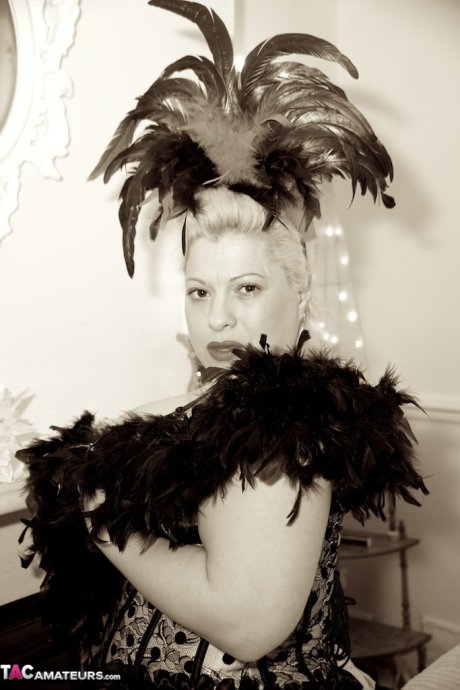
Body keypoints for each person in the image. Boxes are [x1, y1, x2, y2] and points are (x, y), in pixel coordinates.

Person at [17, 2, 428, 688]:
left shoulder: (283, 424)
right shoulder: (221, 399)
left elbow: (247, 624)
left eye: (247, 289)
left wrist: (95, 510)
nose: (218, 320)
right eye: (200, 292)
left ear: (300, 298)